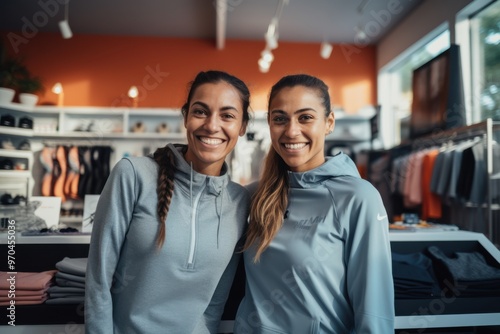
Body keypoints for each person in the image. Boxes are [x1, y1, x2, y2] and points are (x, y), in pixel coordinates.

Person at [85, 70, 251, 333]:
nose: (211, 125)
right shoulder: (133, 174)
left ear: (242, 127)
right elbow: (98, 279)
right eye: (200, 111)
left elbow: (215, 300)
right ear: (186, 117)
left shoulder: (240, 201)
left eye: (227, 115)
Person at [235, 74, 394, 333]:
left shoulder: (358, 198)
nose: (291, 130)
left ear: (328, 123)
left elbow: (374, 311)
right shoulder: (254, 197)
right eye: (279, 119)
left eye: (305, 117)